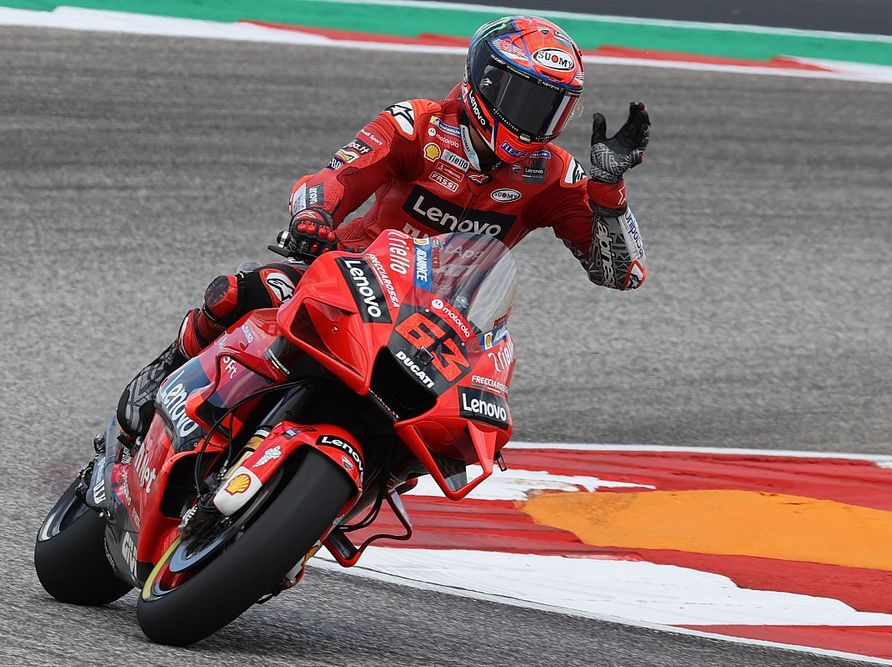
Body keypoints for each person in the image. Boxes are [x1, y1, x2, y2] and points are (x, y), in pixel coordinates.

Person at [116, 15, 651, 441]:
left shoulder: (553, 175)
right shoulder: (416, 124)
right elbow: (336, 176)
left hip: (441, 325)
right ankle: (169, 368)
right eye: (527, 100)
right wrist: (313, 217)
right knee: (244, 290)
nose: (536, 122)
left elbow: (621, 272)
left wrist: (607, 190)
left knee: (464, 425)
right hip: (347, 278)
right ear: (485, 82)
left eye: (553, 111)